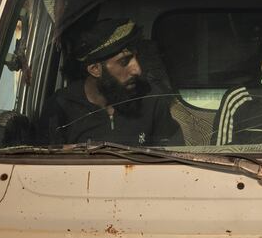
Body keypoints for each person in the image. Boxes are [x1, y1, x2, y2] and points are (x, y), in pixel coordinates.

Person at [40, 18, 183, 146]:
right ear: (95, 69)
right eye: (124, 61)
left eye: (135, 58)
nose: (137, 70)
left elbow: (173, 160)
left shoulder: (150, 98)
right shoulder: (61, 106)